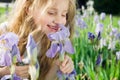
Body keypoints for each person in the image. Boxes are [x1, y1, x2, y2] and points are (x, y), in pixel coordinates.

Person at [0, 0, 76, 80]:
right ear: (29, 9)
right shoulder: (5, 33)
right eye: (51, 13)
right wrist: (5, 72)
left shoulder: (54, 44)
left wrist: (61, 66)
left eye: (64, 15)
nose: (59, 21)